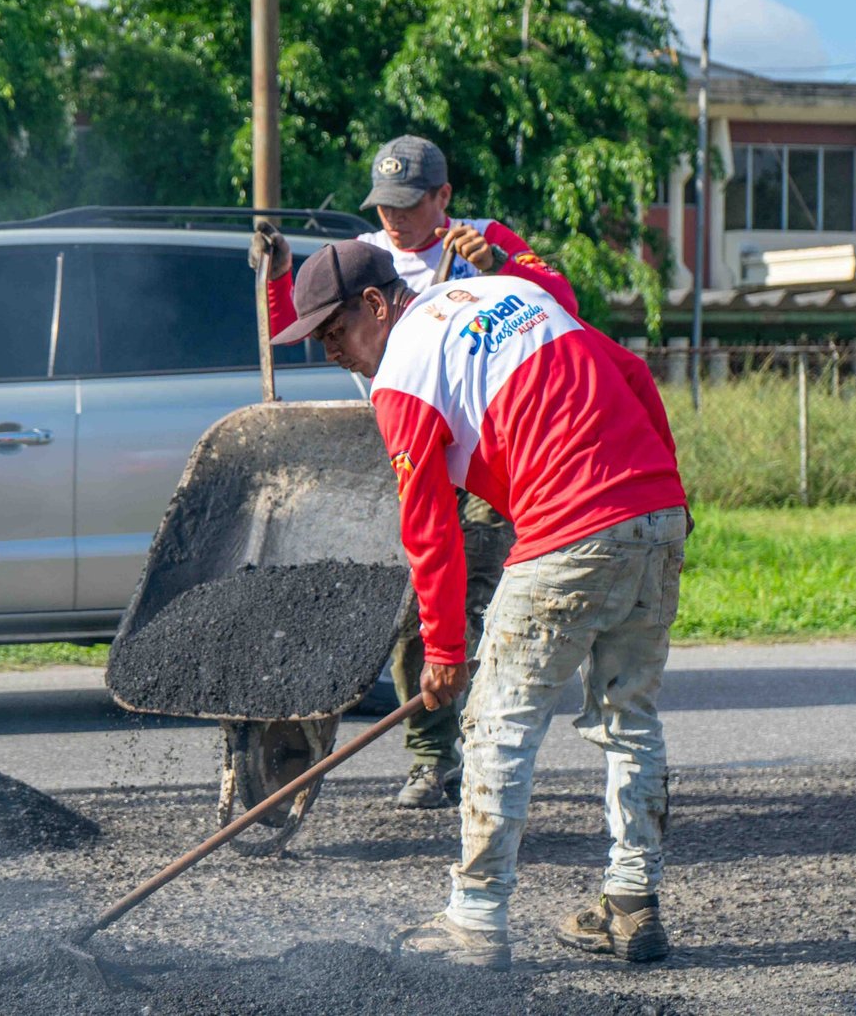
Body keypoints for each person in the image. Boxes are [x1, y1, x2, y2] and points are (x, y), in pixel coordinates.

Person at [273, 240, 688, 970]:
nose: (332, 351)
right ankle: (632, 900)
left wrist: (443, 651)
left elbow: (429, 526)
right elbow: (632, 373)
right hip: (654, 511)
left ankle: (475, 920)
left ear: (377, 304)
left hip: (570, 521)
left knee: (496, 724)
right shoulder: (512, 294)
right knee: (630, 717)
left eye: (335, 331)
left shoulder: (402, 372)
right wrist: (667, 496)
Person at [250, 134, 576, 810]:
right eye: (385, 204)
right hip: (409, 441)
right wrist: (276, 274)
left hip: (483, 449)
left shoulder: (482, 239)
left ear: (443, 197)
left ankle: (483, 746)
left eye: (408, 204)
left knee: (478, 594)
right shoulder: (367, 256)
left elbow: (560, 301)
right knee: (418, 609)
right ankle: (434, 756)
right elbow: (302, 327)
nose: (395, 219)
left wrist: (508, 268)